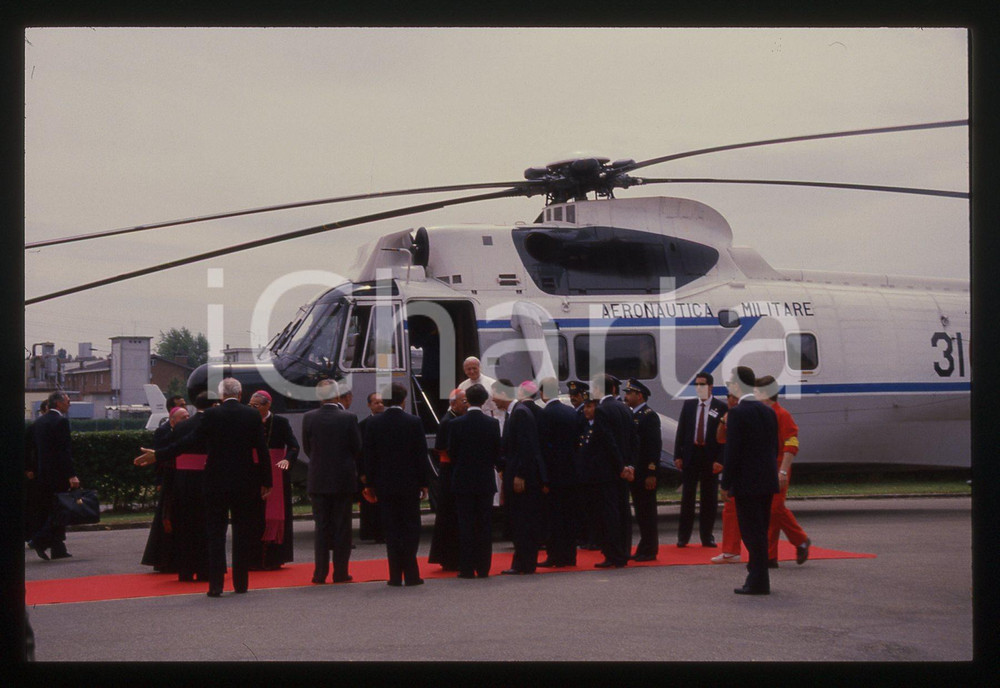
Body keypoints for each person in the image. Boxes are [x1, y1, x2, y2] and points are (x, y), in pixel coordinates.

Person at [136, 377, 272, 597]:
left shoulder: (210, 415)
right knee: (241, 534)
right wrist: (267, 481)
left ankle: (216, 586)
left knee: (216, 534)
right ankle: (241, 584)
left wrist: (159, 455)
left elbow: (188, 442)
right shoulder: (251, 415)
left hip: (215, 481)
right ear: (239, 395)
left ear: (220, 396)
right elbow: (262, 450)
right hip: (244, 482)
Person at [361, 382, 430, 587]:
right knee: (410, 527)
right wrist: (424, 483)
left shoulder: (374, 424)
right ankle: (411, 574)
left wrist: (370, 482)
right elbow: (420, 455)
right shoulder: (414, 421)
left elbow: (369, 456)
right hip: (409, 483)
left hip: (384, 483)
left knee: (391, 529)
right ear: (403, 400)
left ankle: (394, 575)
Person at [720, 366, 779, 595]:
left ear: (737, 386)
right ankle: (758, 575)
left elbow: (732, 452)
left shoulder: (737, 413)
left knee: (750, 532)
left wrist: (726, 483)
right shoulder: (768, 411)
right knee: (760, 531)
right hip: (766, 480)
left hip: (746, 483)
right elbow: (773, 447)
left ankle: (757, 580)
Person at [302, 379, 362, 584]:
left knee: (321, 527)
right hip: (342, 478)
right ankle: (340, 572)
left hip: (318, 478)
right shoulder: (349, 417)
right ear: (337, 395)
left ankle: (319, 573)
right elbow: (356, 447)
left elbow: (307, 448)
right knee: (342, 527)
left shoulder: (308, 418)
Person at [447, 383, 503, 578]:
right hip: (485, 479)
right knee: (484, 525)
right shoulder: (492, 424)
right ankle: (483, 567)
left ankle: (467, 567)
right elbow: (497, 453)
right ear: (484, 400)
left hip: (463, 479)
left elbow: (452, 452)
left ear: (467, 400)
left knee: (466, 525)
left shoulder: (456, 424)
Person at [492, 379, 547, 575]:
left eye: (495, 394)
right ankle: (522, 562)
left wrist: (520, 475)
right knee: (519, 520)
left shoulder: (520, 413)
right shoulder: (514, 413)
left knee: (523, 520)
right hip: (514, 473)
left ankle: (524, 563)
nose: (492, 399)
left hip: (521, 476)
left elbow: (527, 447)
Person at [755, 375, 811, 567]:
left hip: (778, 468)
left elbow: (792, 443)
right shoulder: (760, 414)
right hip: (763, 468)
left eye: (757, 392)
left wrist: (783, 471)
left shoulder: (782, 415)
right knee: (769, 512)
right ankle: (770, 556)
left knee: (774, 509)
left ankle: (800, 540)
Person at [673, 371, 728, 548]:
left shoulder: (721, 407)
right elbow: (681, 432)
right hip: (691, 456)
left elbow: (724, 438)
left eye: (702, 384)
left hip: (710, 458)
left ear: (710, 387)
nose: (699, 388)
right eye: (696, 384)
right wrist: (678, 455)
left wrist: (720, 459)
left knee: (709, 498)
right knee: (687, 498)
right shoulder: (689, 406)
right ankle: (683, 536)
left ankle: (707, 536)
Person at [247, 390, 300, 570]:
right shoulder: (246, 421)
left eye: (256, 406)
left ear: (267, 405)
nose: (252, 409)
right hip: (253, 473)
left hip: (277, 471)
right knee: (253, 515)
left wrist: (287, 460)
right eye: (250, 405)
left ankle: (274, 558)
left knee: (276, 514)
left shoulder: (280, 422)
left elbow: (294, 445)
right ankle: (253, 558)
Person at [27, 391, 81, 560]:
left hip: (42, 474)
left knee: (50, 509)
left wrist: (31, 468)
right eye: (67, 401)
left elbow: (29, 448)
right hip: (58, 475)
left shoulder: (38, 423)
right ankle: (40, 540)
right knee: (59, 510)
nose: (69, 404)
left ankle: (58, 548)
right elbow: (64, 451)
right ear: (58, 404)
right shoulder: (61, 422)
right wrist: (71, 475)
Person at [591, 373, 636, 568]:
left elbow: (608, 442)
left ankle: (613, 554)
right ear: (615, 389)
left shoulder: (601, 410)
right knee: (623, 510)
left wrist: (620, 466)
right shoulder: (625, 408)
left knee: (609, 513)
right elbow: (634, 440)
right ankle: (624, 551)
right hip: (624, 469)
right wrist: (630, 465)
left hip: (609, 470)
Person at [537, 377, 582, 568]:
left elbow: (544, 448)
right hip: (571, 472)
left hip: (554, 473)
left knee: (554, 517)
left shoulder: (545, 415)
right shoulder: (571, 412)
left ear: (543, 393)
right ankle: (569, 556)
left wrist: (543, 477)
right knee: (570, 516)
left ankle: (555, 556)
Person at [170, 391, 214, 581]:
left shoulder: (181, 426)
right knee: (207, 526)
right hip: (207, 478)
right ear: (214, 405)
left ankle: (185, 570)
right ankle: (205, 570)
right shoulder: (214, 425)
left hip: (184, 480)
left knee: (186, 526)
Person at [139, 405, 189, 572]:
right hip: (170, 480)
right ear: (172, 421)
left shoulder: (190, 434)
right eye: (183, 418)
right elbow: (161, 456)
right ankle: (165, 560)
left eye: (188, 417)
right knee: (167, 518)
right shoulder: (164, 432)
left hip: (185, 479)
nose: (187, 420)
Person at [428, 388, 467, 572]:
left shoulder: (453, 419)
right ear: (453, 403)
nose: (466, 405)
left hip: (451, 472)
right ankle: (449, 558)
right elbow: (442, 450)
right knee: (449, 517)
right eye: (463, 401)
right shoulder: (448, 422)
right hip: (449, 473)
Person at [623, 379, 662, 561]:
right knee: (640, 511)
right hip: (636, 472)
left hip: (645, 472)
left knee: (647, 512)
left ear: (639, 395)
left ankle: (649, 549)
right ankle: (644, 547)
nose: (626, 396)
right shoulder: (633, 415)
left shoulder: (649, 416)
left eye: (630, 393)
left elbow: (654, 447)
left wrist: (651, 473)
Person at [711, 391, 743, 564]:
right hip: (734, 468)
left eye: (734, 397)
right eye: (729, 396)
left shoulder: (745, 414)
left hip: (744, 468)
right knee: (730, 510)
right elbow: (720, 439)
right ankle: (731, 551)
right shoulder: (728, 415)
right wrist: (723, 420)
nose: (731, 400)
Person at [357, 392, 385, 543]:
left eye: (381, 402)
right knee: (371, 503)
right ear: (369, 405)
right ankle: (371, 533)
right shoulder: (363, 425)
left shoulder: (390, 422)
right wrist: (362, 472)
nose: (380, 405)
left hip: (386, 470)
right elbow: (360, 451)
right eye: (376, 403)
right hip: (370, 469)